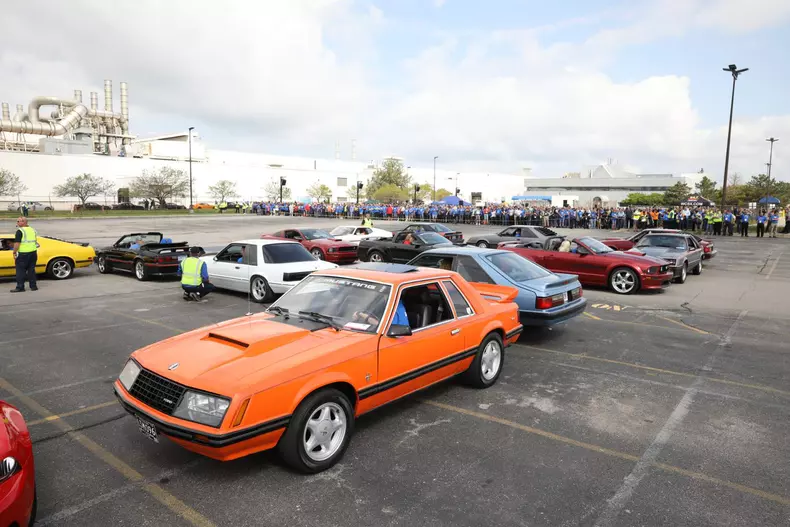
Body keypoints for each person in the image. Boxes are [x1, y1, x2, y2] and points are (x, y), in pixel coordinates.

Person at [11, 216, 39, 293]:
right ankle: (33, 286)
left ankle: (20, 287)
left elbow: (17, 243)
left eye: (18, 221)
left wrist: (14, 251)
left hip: (23, 254)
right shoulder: (33, 230)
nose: (17, 223)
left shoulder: (20, 231)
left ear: (23, 222)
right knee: (31, 270)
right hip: (33, 253)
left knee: (20, 271)